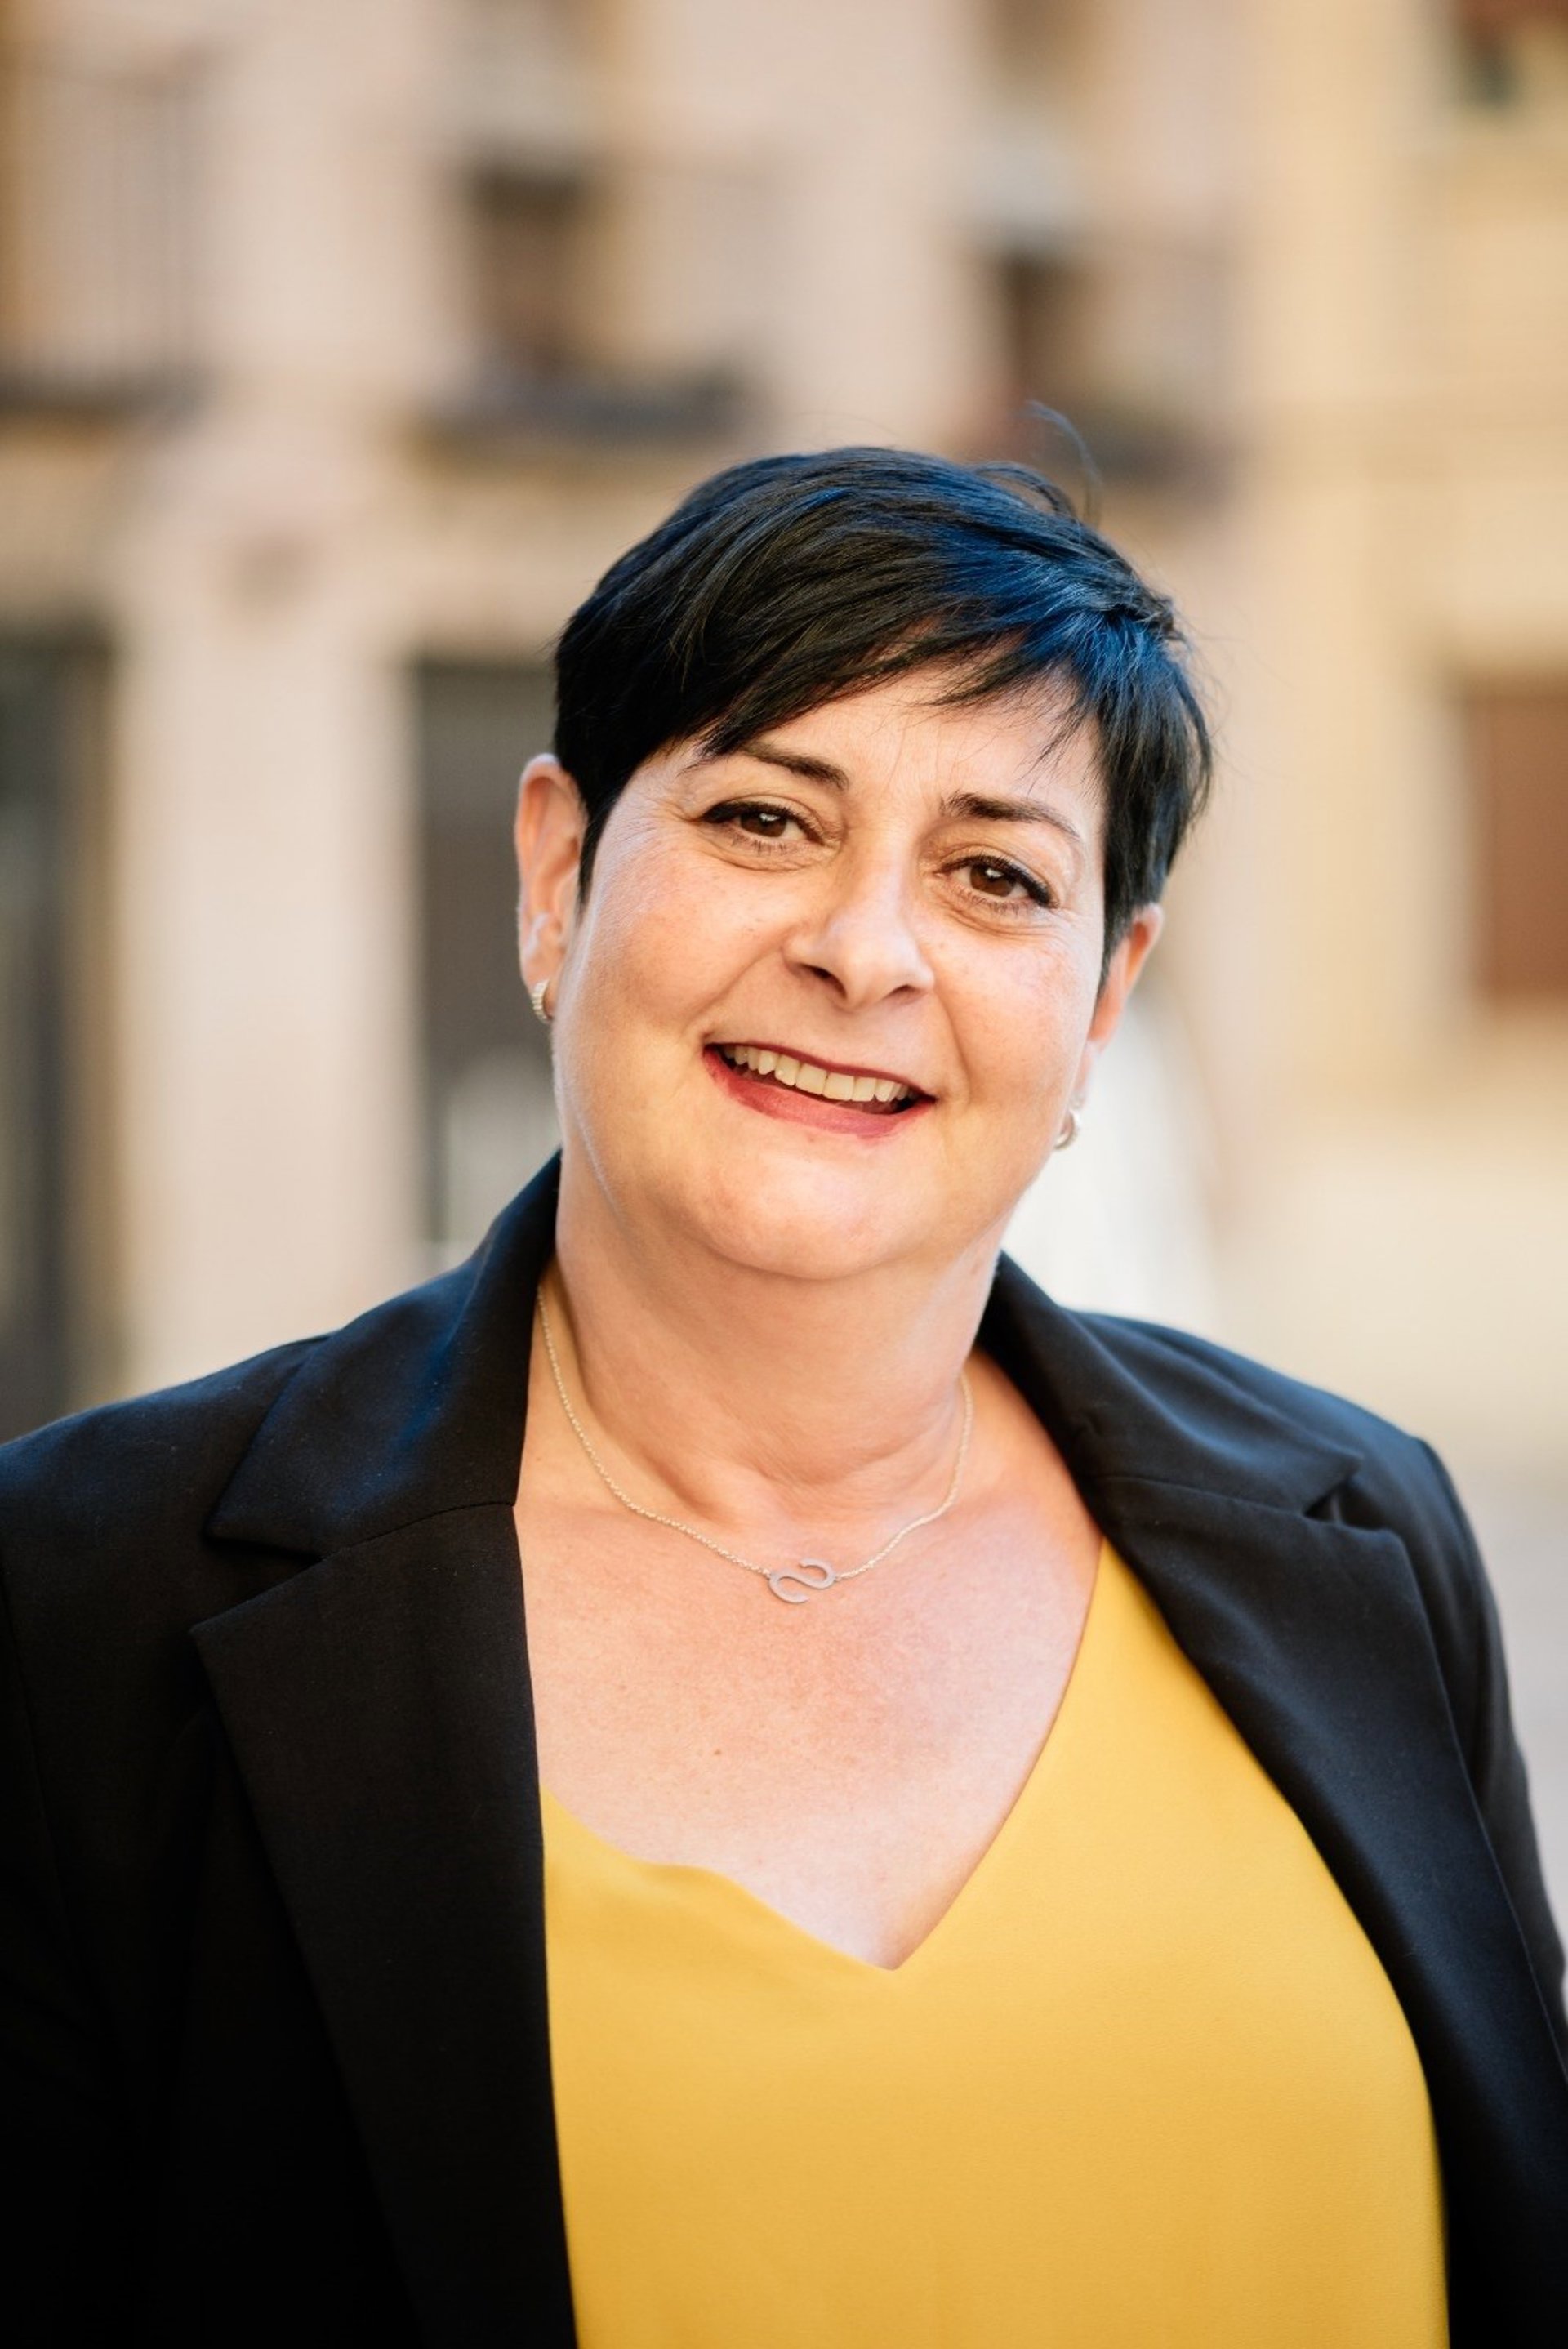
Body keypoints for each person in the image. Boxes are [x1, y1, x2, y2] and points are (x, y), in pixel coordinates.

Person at [2, 448, 1564, 2349]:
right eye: (764, 818)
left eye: (995, 875)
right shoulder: (82, 1601)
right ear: (559, 875)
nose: (862, 949)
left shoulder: (1363, 1530)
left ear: (1103, 998)